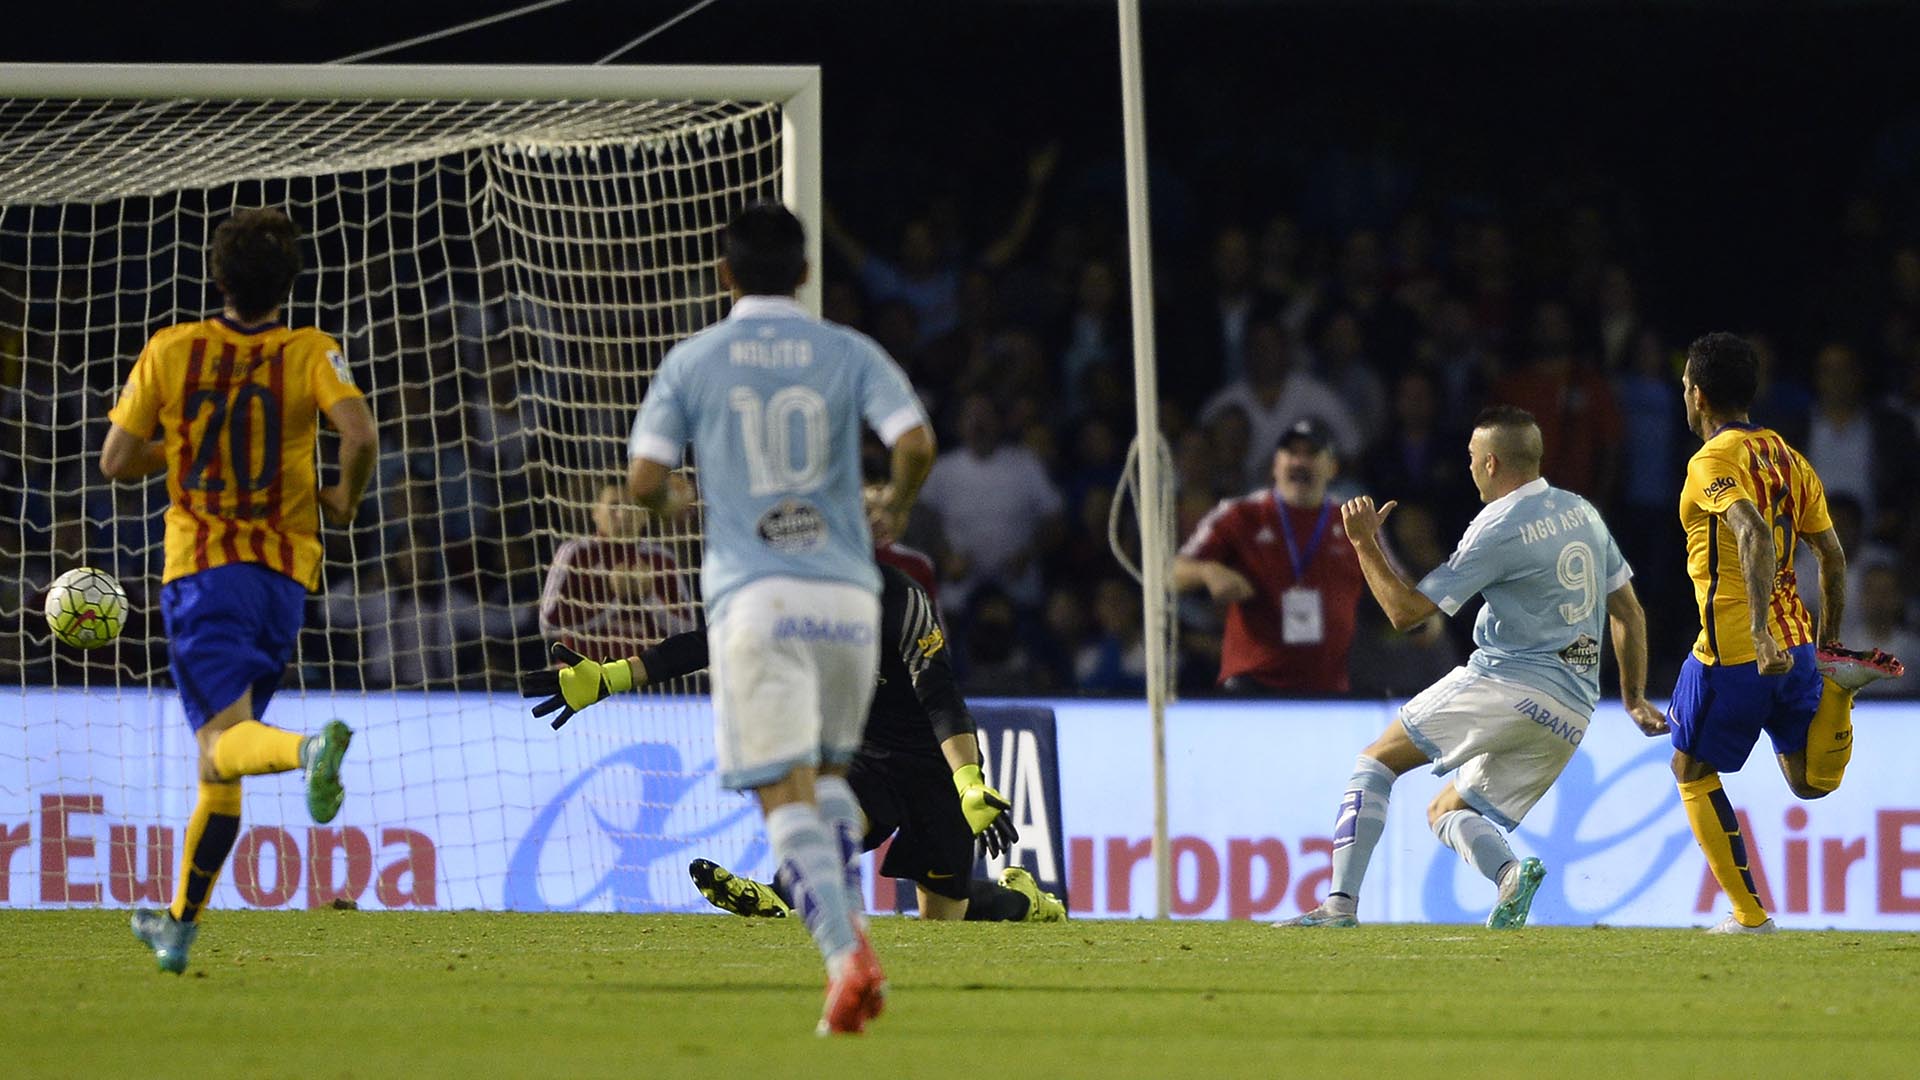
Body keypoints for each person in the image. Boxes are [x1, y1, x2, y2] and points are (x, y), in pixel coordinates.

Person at [546, 203, 936, 1035]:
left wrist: (681, 500)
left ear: (724, 276)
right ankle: (853, 940)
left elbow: (644, 479)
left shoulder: (695, 360)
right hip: (848, 596)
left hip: (756, 598)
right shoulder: (849, 350)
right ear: (803, 273)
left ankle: (847, 954)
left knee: (779, 790)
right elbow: (915, 442)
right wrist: (895, 505)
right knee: (831, 781)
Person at [99, 207, 374, 973]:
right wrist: (344, 501)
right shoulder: (311, 350)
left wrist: (178, 448)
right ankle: (179, 926)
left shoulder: (173, 349)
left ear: (217, 278)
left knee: (226, 741)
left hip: (204, 572)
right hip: (285, 576)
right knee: (218, 762)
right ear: (289, 282)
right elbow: (360, 435)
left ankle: (309, 748)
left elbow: (116, 460)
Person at [1277, 406, 1667, 929]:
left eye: (1469, 459)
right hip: (1573, 712)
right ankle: (1509, 874)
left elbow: (1407, 613)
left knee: (1374, 764)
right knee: (1448, 811)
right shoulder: (1582, 512)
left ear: (1489, 463)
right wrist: (1636, 696)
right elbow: (1629, 612)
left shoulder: (1499, 526)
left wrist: (1364, 543)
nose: (1467, 468)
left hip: (1509, 681)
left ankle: (1338, 907)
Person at [525, 563, 1062, 924]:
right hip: (865, 757)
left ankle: (1025, 901)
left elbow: (941, 697)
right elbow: (706, 644)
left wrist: (968, 783)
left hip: (933, 767)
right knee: (832, 823)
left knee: (948, 914)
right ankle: (776, 897)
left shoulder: (902, 602)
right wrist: (610, 678)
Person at [1666, 333, 1903, 935]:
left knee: (1690, 771)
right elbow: (1831, 552)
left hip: (1735, 650)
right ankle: (1837, 688)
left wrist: (1755, 633)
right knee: (1808, 781)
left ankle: (1747, 917)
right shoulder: (1789, 457)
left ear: (1696, 395)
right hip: (1797, 642)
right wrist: (1822, 642)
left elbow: (1753, 533)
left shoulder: (1710, 463)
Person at [1173, 416, 1371, 694]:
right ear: (1275, 465)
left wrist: (1424, 613)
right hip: (1252, 687)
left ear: (1333, 467)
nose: (1299, 462)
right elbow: (1171, 573)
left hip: (1328, 691)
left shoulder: (1352, 521)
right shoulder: (1240, 514)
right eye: (1291, 453)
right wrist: (1208, 571)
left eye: (1312, 453)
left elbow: (1395, 580)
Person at [538, 482, 697, 661]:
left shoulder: (662, 559)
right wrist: (613, 600)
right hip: (587, 678)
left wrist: (648, 597)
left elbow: (688, 630)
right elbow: (547, 625)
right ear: (595, 512)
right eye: (614, 506)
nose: (623, 514)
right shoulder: (575, 553)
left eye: (633, 505)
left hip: (649, 680)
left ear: (646, 515)